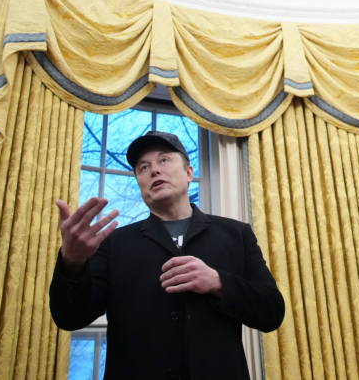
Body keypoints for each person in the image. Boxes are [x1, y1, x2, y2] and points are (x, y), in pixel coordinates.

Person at [50, 131, 284, 380]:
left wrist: (217, 282)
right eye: (143, 167)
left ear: (189, 173)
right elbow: (70, 318)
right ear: (140, 183)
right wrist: (72, 261)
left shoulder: (237, 234)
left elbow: (271, 312)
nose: (154, 170)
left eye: (163, 160)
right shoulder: (113, 243)